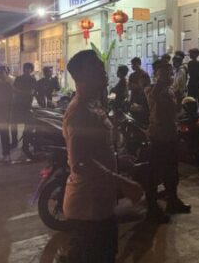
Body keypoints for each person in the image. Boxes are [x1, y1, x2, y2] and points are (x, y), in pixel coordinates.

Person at [63, 50, 143, 263]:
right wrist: (121, 182)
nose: (104, 72)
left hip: (102, 204)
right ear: (81, 76)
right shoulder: (79, 112)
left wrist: (118, 160)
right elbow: (81, 163)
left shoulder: (94, 104)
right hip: (87, 209)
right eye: (98, 69)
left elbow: (96, 149)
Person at [145, 59, 191, 222]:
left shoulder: (169, 90)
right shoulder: (152, 89)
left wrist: (179, 100)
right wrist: (161, 80)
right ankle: (152, 209)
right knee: (154, 174)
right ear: (157, 73)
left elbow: (175, 111)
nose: (168, 74)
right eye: (163, 71)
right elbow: (155, 98)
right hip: (158, 136)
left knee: (172, 172)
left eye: (169, 71)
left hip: (170, 134)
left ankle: (173, 201)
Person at [11, 63, 37, 149]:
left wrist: (20, 91)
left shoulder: (33, 80)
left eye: (29, 68)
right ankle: (14, 142)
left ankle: (25, 143)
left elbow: (31, 92)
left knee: (27, 125)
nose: (27, 70)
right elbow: (14, 90)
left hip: (27, 105)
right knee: (14, 124)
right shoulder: (18, 78)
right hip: (17, 104)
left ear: (31, 70)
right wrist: (25, 92)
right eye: (25, 68)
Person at [128, 57, 151, 125]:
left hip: (142, 99)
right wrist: (138, 86)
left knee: (141, 119)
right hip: (133, 99)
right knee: (133, 118)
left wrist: (135, 86)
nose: (133, 66)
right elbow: (129, 87)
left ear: (139, 64)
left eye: (134, 64)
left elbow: (146, 87)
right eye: (132, 64)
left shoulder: (144, 74)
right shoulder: (132, 75)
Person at [187, 48, 199, 114]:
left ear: (196, 54)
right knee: (191, 103)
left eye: (191, 53)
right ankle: (193, 116)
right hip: (191, 86)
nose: (190, 54)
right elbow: (190, 74)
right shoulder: (189, 63)